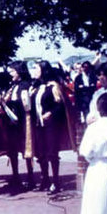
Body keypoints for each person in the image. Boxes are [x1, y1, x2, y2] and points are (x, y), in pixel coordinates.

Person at [30, 61, 76, 195]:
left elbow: (60, 105)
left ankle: (56, 181)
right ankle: (45, 179)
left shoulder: (53, 87)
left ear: (44, 70)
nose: (34, 71)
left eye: (36, 68)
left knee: (52, 153)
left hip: (51, 125)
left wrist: (50, 113)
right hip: (38, 125)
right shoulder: (37, 87)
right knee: (41, 153)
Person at [0, 61, 34, 193]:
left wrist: (9, 104)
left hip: (22, 122)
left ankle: (30, 176)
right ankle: (15, 175)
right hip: (11, 123)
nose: (10, 74)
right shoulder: (12, 85)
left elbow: (25, 103)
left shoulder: (25, 85)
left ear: (19, 71)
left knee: (25, 150)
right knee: (12, 150)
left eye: (12, 71)